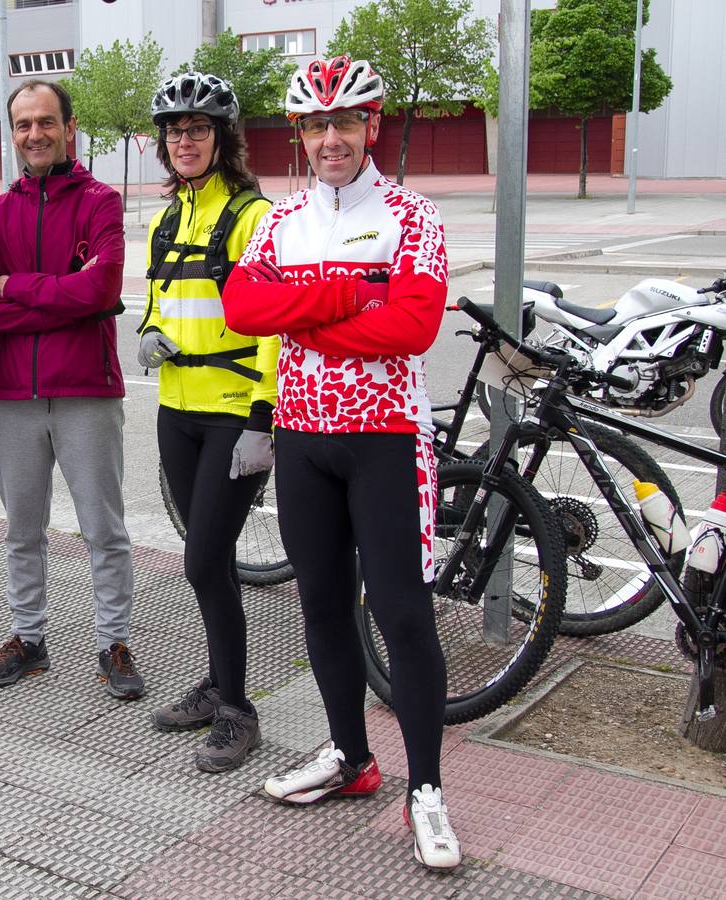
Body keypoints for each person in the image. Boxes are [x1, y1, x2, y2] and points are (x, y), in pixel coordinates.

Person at [220, 56, 460, 868]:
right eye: (316, 124)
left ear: (370, 125)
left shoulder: (410, 213)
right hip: (303, 438)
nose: (330, 137)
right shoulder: (279, 220)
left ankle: (424, 790)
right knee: (319, 603)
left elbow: (412, 327)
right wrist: (347, 296)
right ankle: (350, 757)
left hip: (385, 438)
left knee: (398, 611)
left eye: (345, 121)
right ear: (299, 134)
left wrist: (302, 319)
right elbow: (241, 307)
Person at [0, 80, 143, 700]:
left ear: (70, 127)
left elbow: (101, 291)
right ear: (12, 132)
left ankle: (113, 642)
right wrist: (60, 298)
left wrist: (16, 287)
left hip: (87, 391)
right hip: (13, 392)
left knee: (104, 527)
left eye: (46, 122)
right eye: (22, 124)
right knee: (22, 528)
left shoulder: (100, 200)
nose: (34, 134)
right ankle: (29, 638)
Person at [137, 73, 277, 770]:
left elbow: (276, 327)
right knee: (208, 560)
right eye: (172, 131)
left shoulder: (252, 217)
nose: (183, 141)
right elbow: (160, 298)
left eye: (195, 129)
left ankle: (236, 709)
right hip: (175, 409)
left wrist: (264, 414)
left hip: (230, 411)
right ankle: (218, 682)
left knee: (200, 561)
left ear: (222, 138)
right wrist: (148, 330)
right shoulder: (167, 218)